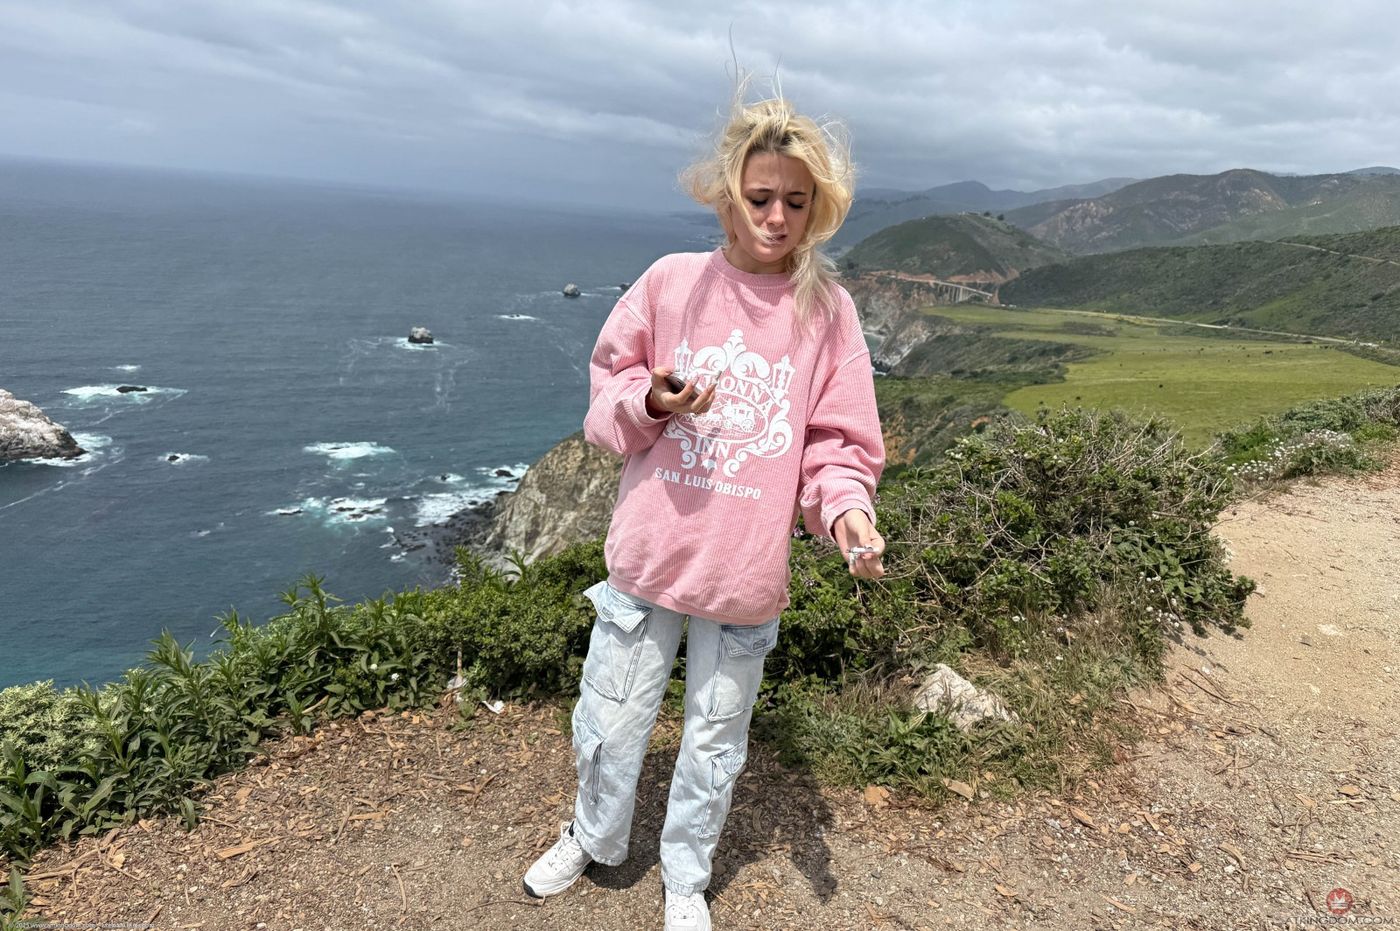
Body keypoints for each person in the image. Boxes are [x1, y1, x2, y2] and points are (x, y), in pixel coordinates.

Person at [521, 88, 886, 931]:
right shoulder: (670, 283)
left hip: (743, 570)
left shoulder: (828, 313)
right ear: (726, 197)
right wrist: (652, 401)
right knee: (610, 717)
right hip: (651, 553)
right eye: (760, 197)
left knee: (716, 739)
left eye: (796, 201)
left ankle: (685, 876)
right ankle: (591, 833)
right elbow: (607, 399)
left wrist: (848, 515)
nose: (776, 217)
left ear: (818, 208)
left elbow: (836, 444)